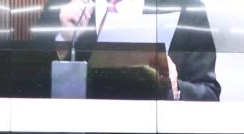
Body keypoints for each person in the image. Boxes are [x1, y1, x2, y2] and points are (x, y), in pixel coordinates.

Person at [50, 0, 220, 102]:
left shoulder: (186, 7)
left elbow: (209, 94)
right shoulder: (63, 7)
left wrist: (174, 88)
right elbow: (30, 86)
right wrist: (64, 40)